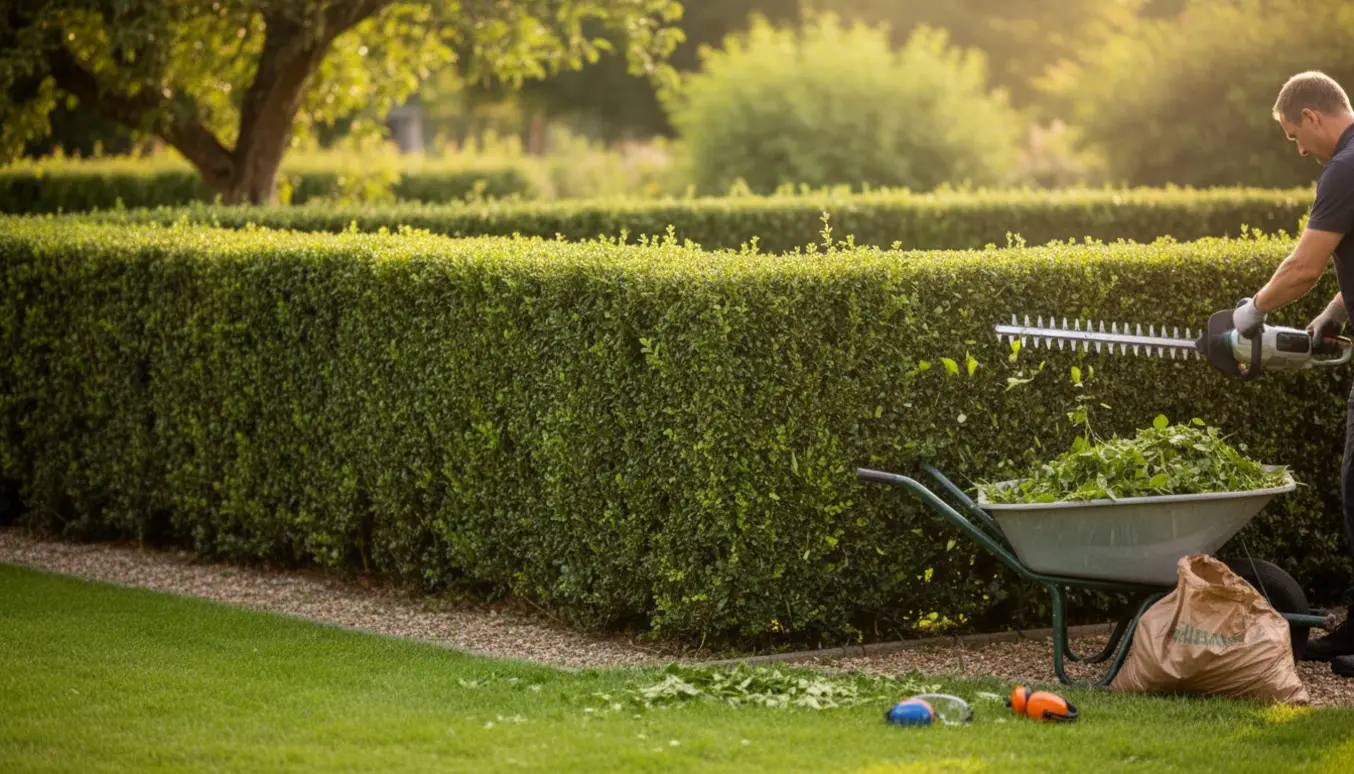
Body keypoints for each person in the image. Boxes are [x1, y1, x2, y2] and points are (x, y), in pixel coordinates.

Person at [1233, 70, 1354, 674]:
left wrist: (1249, 312)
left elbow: (1305, 265)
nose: (1299, 150)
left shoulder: (1344, 167)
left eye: (1293, 136)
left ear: (1311, 116)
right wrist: (1336, 312)